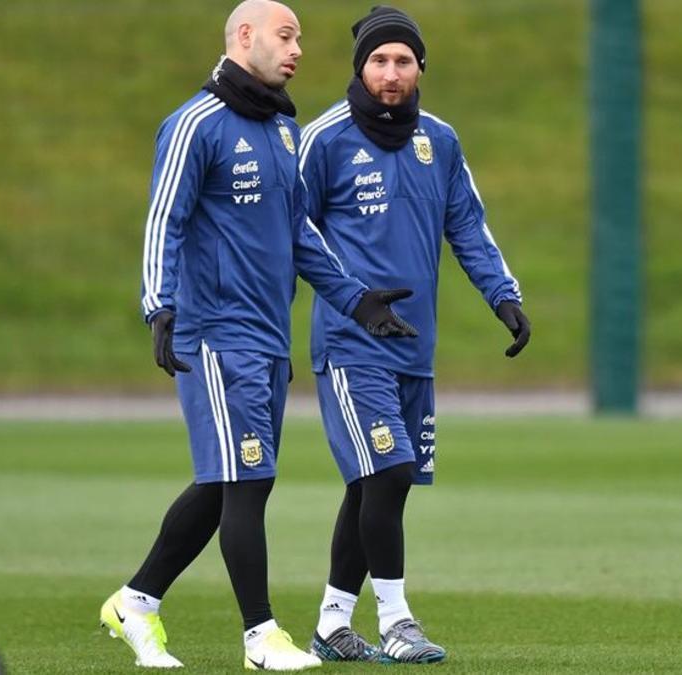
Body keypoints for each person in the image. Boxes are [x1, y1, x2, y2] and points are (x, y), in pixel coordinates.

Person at [99, 1, 417, 670]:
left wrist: (356, 299)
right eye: (286, 35)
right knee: (248, 481)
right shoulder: (195, 124)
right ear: (244, 37)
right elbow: (166, 218)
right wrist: (160, 305)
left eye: (299, 36)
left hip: (269, 340)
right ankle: (261, 636)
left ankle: (137, 600)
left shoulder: (281, 131)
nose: (298, 47)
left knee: (226, 483)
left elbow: (300, 232)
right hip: (216, 335)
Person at [297, 5, 531, 664]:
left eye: (402, 60)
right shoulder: (324, 139)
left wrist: (503, 296)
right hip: (350, 347)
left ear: (420, 67)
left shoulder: (441, 141)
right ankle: (397, 620)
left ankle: (332, 623)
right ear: (359, 68)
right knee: (390, 471)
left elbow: (469, 225)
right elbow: (291, 233)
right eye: (378, 60)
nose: (390, 72)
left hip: (413, 349)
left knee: (371, 484)